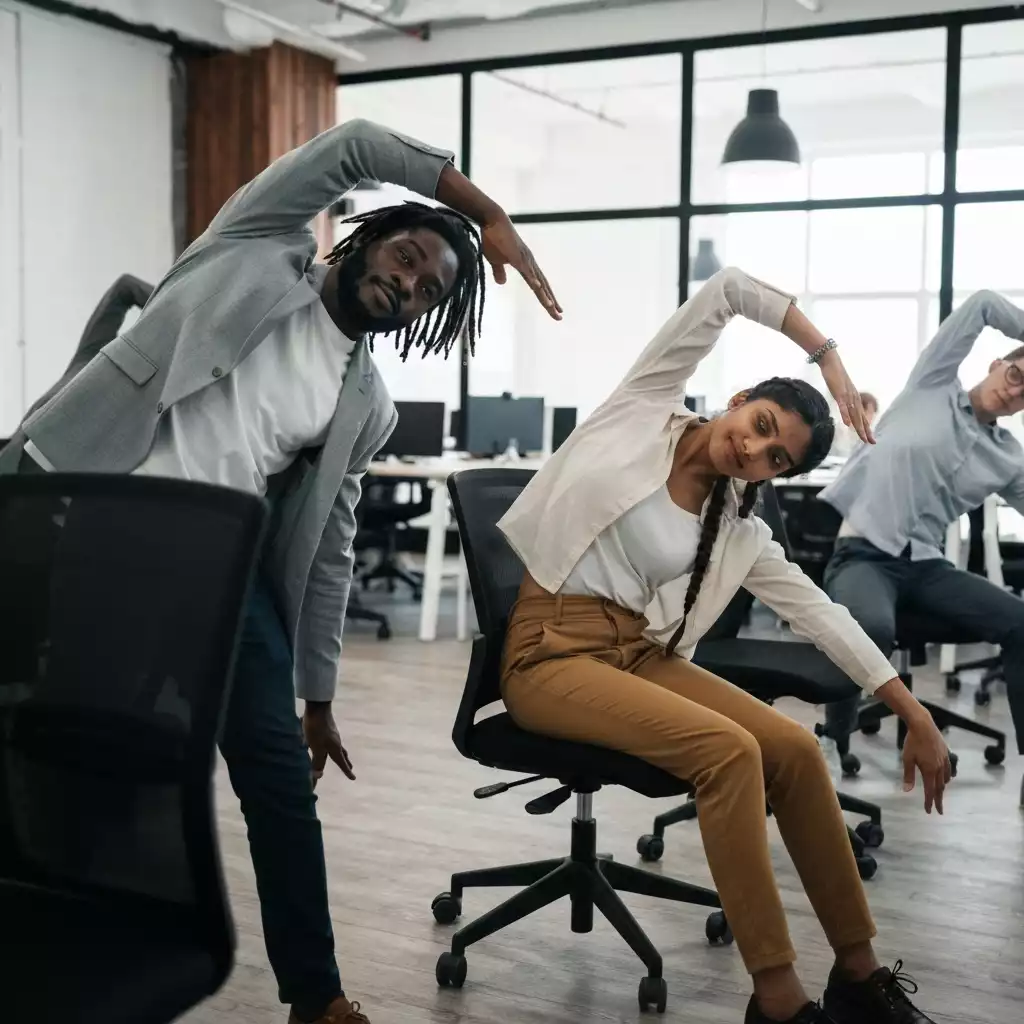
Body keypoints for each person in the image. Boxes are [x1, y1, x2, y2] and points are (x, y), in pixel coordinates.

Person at [0, 118, 560, 1024]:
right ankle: (64, 940)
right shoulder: (255, 247)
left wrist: (319, 693)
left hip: (211, 562)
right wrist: (483, 212)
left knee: (277, 782)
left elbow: (329, 541)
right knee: (78, 749)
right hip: (89, 518)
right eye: (411, 254)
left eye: (428, 287)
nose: (412, 281)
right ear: (370, 236)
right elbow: (351, 147)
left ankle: (316, 995)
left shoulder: (365, 404)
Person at [497, 267, 949, 1024]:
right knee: (728, 752)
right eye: (764, 425)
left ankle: (859, 976)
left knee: (796, 753)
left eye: (777, 459)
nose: (755, 450)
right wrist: (828, 359)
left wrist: (913, 711)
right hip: (548, 651)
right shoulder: (642, 409)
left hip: (635, 650)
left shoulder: (736, 525)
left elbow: (821, 612)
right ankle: (776, 997)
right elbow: (729, 291)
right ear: (741, 399)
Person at [819, 291, 1024, 763]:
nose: (1014, 391)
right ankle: (833, 739)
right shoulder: (933, 384)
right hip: (864, 554)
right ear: (996, 364)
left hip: (928, 569)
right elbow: (984, 304)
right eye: (1015, 375)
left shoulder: (1008, 457)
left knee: (1021, 624)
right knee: (868, 626)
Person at [830, 391, 878, 458]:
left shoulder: (873, 437)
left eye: (871, 413)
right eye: (867, 412)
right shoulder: (838, 431)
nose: (870, 417)